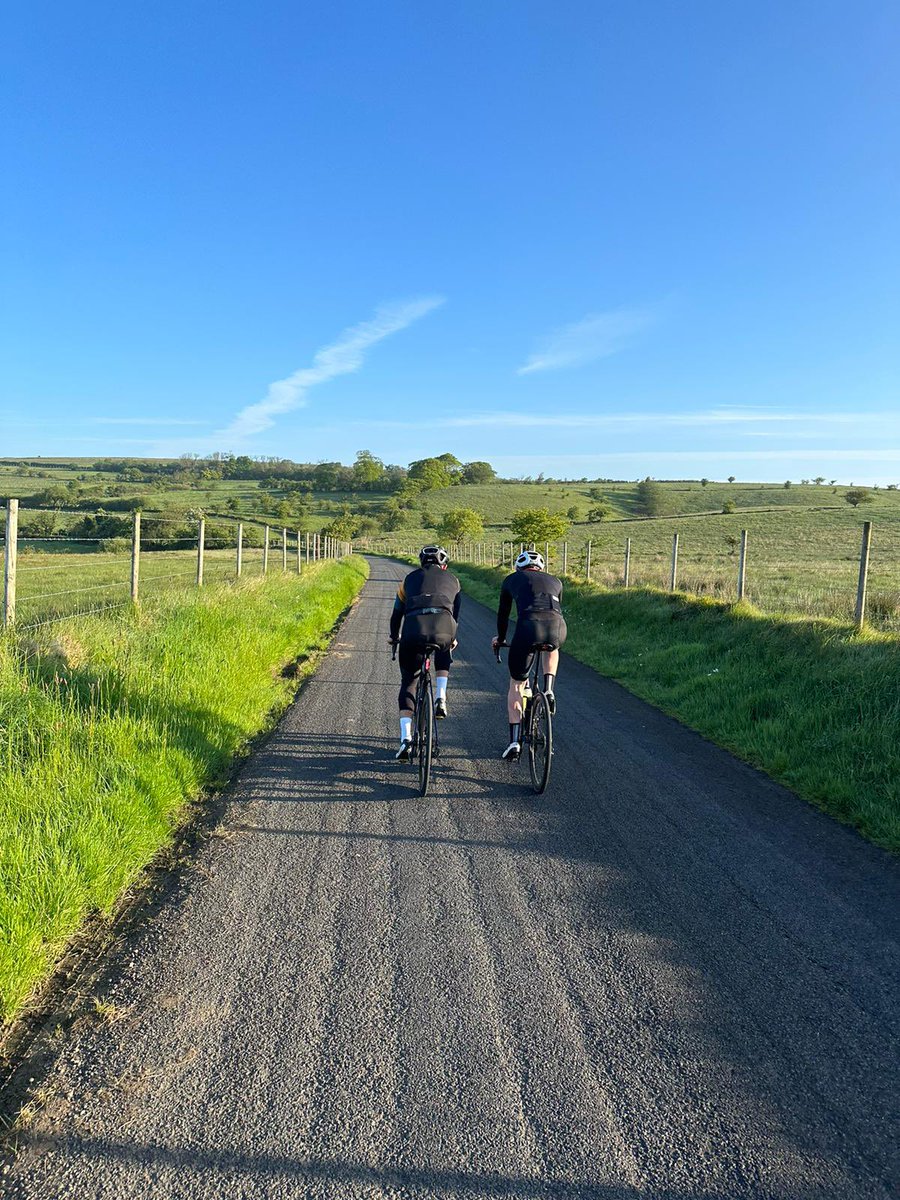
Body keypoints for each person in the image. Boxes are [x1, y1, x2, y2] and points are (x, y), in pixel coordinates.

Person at [492, 549, 567, 761]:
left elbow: (503, 614)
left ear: (519, 568)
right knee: (552, 647)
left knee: (516, 684)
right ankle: (549, 690)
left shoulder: (511, 580)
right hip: (558, 628)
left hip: (528, 627)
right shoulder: (556, 581)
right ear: (541, 568)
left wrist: (501, 638)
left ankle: (515, 742)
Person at [389, 545, 460, 761]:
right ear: (443, 565)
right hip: (444, 628)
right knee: (445, 643)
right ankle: (440, 697)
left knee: (409, 682)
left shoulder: (407, 580)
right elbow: (455, 615)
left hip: (413, 631)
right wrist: (452, 638)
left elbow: (396, 616)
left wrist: (394, 637)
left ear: (421, 563)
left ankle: (406, 739)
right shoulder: (454, 581)